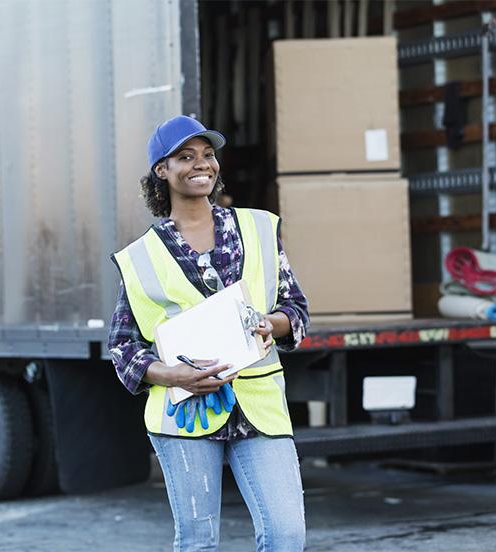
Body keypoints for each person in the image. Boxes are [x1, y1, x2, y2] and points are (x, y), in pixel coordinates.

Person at [108, 115, 309, 551]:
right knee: (198, 542)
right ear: (162, 170)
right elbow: (123, 348)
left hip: (258, 403)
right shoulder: (141, 256)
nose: (202, 164)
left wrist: (270, 324)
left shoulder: (257, 229)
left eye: (208, 154)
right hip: (184, 415)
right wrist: (173, 376)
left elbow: (295, 309)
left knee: (286, 535)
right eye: (186, 157)